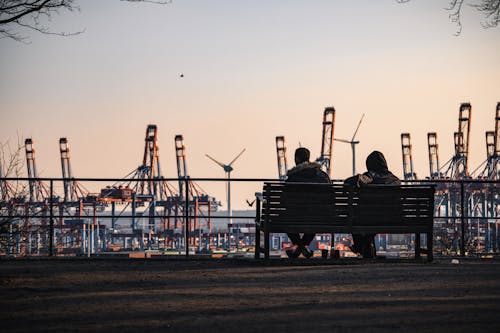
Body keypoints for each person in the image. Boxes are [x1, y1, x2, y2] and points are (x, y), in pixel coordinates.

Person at [344, 150, 401, 258]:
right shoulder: (395, 179)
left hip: (368, 217)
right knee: (373, 216)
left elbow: (348, 182)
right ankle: (364, 246)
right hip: (393, 218)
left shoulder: (369, 176)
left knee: (354, 215)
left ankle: (360, 246)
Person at [285, 147, 330, 258]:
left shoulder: (292, 178)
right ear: (308, 159)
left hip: (294, 216)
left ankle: (300, 248)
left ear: (296, 159)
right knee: (316, 217)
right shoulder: (322, 176)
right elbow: (330, 196)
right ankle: (303, 248)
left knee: (285, 219)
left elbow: (284, 200)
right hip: (320, 216)